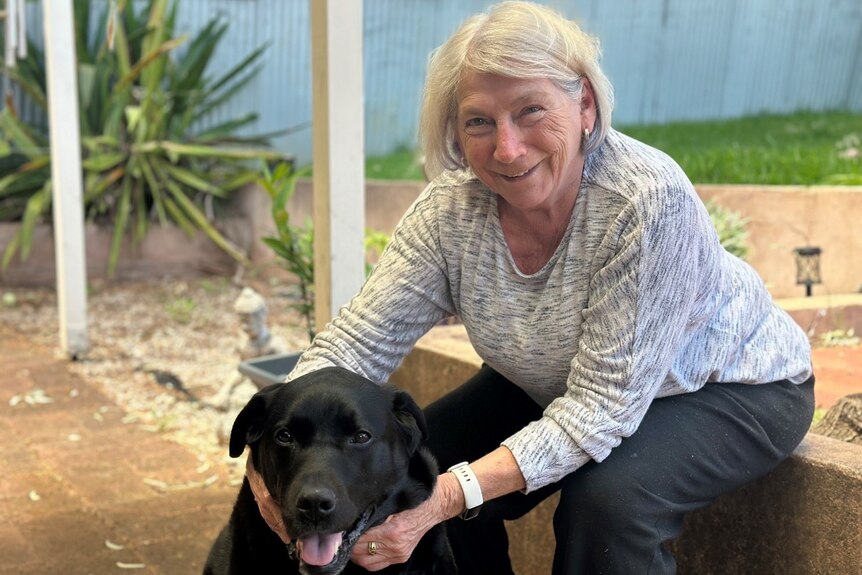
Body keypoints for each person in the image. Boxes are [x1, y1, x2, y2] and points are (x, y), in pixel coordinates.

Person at [246, 2, 815, 573]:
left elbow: (600, 410)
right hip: (566, 382)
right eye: (479, 122)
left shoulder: (644, 202)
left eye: (531, 110)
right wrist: (273, 446)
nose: (507, 148)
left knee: (607, 504)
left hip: (728, 387)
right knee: (419, 465)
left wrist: (446, 498)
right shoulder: (451, 211)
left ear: (585, 104)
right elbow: (356, 343)